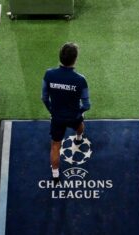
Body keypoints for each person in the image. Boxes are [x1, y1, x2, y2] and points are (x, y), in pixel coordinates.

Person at [42, 42, 90, 180]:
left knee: (55, 146)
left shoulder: (49, 74)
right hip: (74, 116)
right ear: (75, 59)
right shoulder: (80, 80)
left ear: (60, 57)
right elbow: (87, 105)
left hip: (57, 117)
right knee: (80, 125)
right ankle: (79, 138)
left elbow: (44, 97)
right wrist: (79, 111)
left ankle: (55, 174)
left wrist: (51, 110)